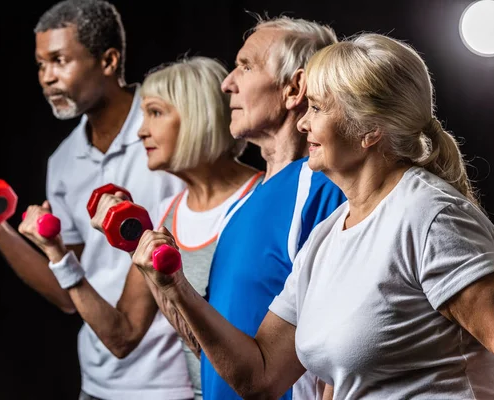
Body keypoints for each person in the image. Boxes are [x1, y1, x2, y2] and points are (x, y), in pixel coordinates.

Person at [132, 32, 494, 399]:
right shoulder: (326, 236)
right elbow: (261, 375)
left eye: (317, 108)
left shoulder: (429, 215)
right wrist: (174, 286)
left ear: (369, 129)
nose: (303, 122)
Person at [0, 0, 192, 399]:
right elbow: (68, 291)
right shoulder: (63, 161)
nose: (47, 78)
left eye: (60, 61)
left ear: (109, 60)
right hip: (97, 382)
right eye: (41, 65)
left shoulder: (169, 135)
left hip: (172, 382)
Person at [21, 55, 264, 400]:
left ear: (197, 115)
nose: (141, 130)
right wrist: (57, 253)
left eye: (155, 113)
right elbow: (123, 336)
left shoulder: (264, 198)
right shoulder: (168, 214)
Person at [134, 14, 346, 400]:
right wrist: (160, 278)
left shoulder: (321, 187)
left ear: (294, 88)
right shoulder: (244, 205)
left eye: (245, 66)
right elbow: (211, 348)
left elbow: (343, 346)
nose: (226, 82)